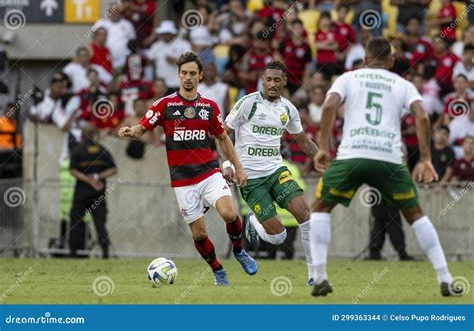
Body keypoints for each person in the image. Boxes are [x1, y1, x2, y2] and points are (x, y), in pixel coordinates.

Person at [310, 37, 463, 297]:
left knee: (319, 208)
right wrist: (425, 159)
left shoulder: (348, 78)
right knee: (416, 215)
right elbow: (423, 115)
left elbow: (328, 105)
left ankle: (320, 275)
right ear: (392, 61)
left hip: (352, 156)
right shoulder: (403, 84)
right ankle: (445, 278)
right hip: (389, 159)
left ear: (366, 59)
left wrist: (323, 147)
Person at [118, 52, 257, 285]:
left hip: (209, 172)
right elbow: (142, 128)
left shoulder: (209, 107)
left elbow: (223, 139)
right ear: (179, 75)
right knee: (199, 234)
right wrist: (131, 131)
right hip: (183, 181)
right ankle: (217, 270)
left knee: (230, 213)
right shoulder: (165, 105)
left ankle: (239, 250)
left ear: (200, 76)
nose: (188, 77)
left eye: (193, 73)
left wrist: (238, 168)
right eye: (184, 73)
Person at [223, 61, 319, 285]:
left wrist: (323, 156)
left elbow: (303, 141)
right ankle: (254, 222)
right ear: (263, 80)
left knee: (305, 215)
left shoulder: (288, 109)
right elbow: (223, 134)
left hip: (276, 170)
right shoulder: (248, 103)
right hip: (250, 177)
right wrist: (228, 164)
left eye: (277, 80)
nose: (273, 84)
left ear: (285, 81)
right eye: (269, 79)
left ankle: (315, 273)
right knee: (279, 237)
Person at [69, 123, 117, 259]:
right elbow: (113, 169)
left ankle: (75, 253)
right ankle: (105, 253)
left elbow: (73, 170)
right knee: (100, 223)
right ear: (95, 133)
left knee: (76, 221)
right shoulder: (102, 150)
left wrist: (88, 179)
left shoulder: (78, 150)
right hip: (98, 193)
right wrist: (97, 178)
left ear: (82, 135)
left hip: (81, 193)